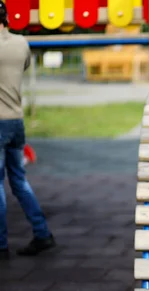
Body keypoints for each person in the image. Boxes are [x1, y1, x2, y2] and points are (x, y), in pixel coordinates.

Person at [0, 0, 55, 260]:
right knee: (19, 181)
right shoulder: (21, 43)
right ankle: (42, 232)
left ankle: (0, 244)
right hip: (16, 120)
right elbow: (24, 66)